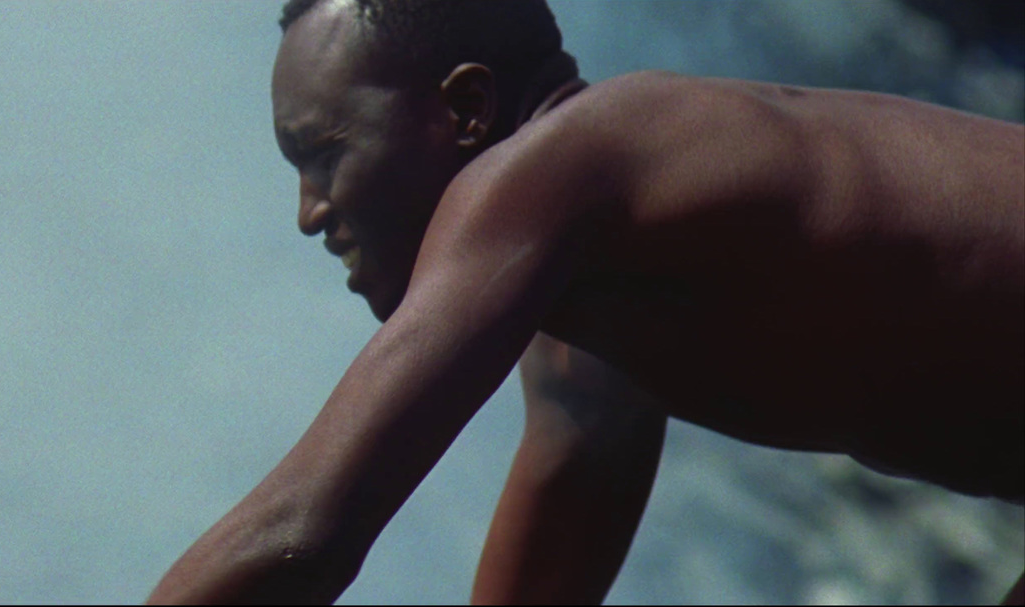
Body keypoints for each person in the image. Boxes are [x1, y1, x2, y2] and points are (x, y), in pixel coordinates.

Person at [147, 0, 1025, 603]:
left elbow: (305, 529)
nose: (309, 213)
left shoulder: (567, 167)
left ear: (466, 108)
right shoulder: (590, 347)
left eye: (322, 153)